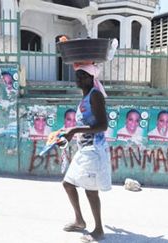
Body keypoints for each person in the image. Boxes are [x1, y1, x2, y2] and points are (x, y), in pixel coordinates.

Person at [60, 63, 111, 242]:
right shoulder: (85, 97)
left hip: (94, 150)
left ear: (91, 78)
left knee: (90, 191)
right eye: (78, 75)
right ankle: (80, 221)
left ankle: (98, 230)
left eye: (82, 75)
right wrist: (67, 134)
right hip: (85, 150)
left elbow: (103, 126)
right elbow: (86, 125)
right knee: (68, 184)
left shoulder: (95, 95)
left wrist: (74, 130)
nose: (78, 78)